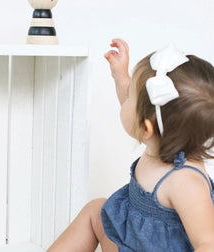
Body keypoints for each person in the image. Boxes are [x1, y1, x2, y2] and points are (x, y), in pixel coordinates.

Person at [46, 38, 214, 252]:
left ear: (146, 129)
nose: (125, 99)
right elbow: (138, 111)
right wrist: (121, 76)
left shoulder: (185, 182)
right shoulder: (163, 139)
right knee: (95, 210)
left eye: (130, 97)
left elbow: (208, 243)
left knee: (96, 209)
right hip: (130, 241)